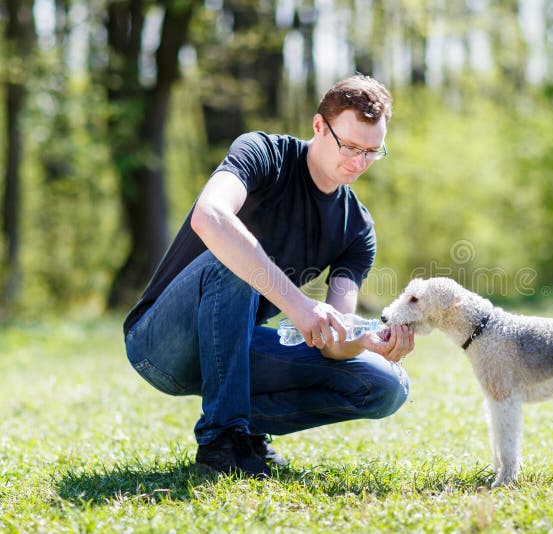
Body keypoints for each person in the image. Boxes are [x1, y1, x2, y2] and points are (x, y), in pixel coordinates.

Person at [123, 74, 414, 476]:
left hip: (237, 349)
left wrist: (362, 341)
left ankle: (245, 426)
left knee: (387, 386)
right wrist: (296, 305)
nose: (358, 162)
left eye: (372, 151)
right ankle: (221, 441)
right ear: (318, 126)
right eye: (349, 146)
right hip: (161, 343)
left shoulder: (357, 228)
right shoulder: (262, 153)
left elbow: (335, 339)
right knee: (233, 251)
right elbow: (210, 217)